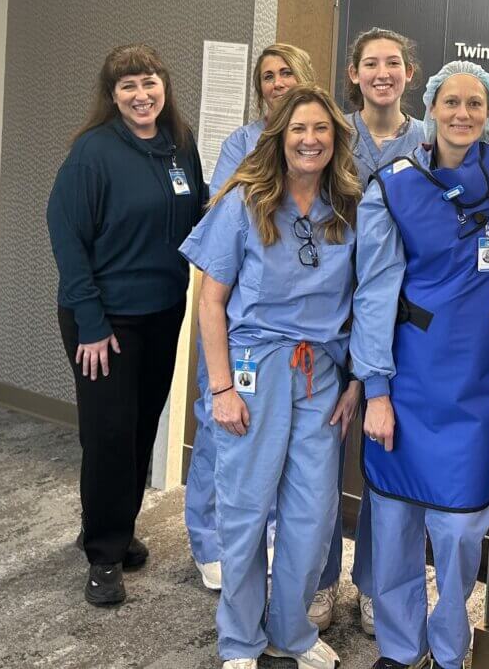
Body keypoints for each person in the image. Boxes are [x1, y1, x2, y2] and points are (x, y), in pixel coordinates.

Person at [351, 61, 489, 669]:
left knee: (462, 530)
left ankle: (448, 646)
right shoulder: (392, 186)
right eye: (451, 103)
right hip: (408, 374)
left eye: (475, 104)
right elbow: (374, 293)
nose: (463, 114)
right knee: (393, 526)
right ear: (431, 109)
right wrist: (377, 391)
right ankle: (399, 646)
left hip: (477, 380)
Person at [179, 86, 361, 669]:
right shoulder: (245, 201)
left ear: (336, 138)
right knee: (246, 509)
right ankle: (239, 640)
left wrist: (356, 380)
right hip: (254, 370)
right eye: (298, 130)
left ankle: (291, 632)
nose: (311, 140)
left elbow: (368, 299)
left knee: (312, 513)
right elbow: (211, 304)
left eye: (321, 130)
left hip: (321, 374)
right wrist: (222, 387)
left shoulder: (349, 209)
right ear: (279, 139)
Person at [47, 44, 206, 607]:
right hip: (103, 320)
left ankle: (115, 523)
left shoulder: (179, 143)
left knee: (139, 428)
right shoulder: (93, 153)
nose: (141, 95)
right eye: (128, 87)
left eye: (149, 82)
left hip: (163, 311)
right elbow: (66, 238)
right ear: (111, 96)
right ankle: (104, 557)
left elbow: (199, 212)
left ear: (165, 85)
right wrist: (91, 322)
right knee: (109, 433)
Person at [188, 42, 318, 591]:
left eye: (287, 72)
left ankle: (259, 538)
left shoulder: (324, 145)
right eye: (267, 76)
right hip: (240, 322)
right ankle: (208, 538)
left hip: (299, 334)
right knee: (224, 428)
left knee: (278, 443)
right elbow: (221, 220)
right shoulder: (240, 145)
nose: (276, 82)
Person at [316, 28, 431, 636]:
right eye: (370, 64)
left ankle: (372, 587)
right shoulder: (332, 135)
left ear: (410, 73)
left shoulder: (432, 140)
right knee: (320, 456)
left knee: (385, 461)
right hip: (331, 312)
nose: (382, 72)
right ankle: (320, 581)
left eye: (394, 62)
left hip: (406, 322)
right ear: (353, 73)